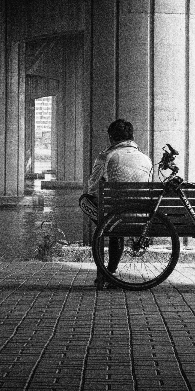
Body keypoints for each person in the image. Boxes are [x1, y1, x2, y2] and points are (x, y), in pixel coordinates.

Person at [84, 119, 153, 288]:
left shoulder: (106, 156)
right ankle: (111, 270)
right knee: (115, 222)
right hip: (141, 216)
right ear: (131, 137)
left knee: (85, 201)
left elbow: (93, 188)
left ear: (110, 138)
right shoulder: (146, 160)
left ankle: (107, 272)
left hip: (114, 215)